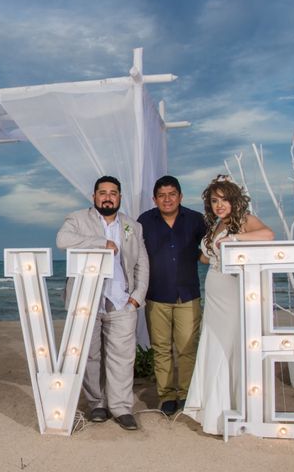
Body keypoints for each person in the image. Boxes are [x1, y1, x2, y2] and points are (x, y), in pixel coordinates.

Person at [183, 175, 274, 435]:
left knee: (229, 347)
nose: (219, 205)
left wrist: (235, 240)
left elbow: (268, 234)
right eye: (214, 200)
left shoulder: (244, 220)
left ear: (234, 200)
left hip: (233, 293)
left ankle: (232, 409)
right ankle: (212, 410)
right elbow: (205, 256)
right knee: (212, 344)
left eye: (224, 199)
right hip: (214, 291)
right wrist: (207, 252)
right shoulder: (215, 226)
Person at [57, 176, 149, 430]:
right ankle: (97, 403)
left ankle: (121, 407)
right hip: (87, 300)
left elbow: (142, 263)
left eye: (113, 193)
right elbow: (62, 241)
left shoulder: (133, 226)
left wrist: (137, 297)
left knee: (123, 356)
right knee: (89, 355)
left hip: (121, 301)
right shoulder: (77, 219)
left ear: (120, 197)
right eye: (103, 193)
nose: (108, 197)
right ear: (94, 196)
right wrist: (102, 243)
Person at [137, 176, 206, 416]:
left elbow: (210, 246)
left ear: (180, 196)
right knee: (161, 349)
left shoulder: (196, 220)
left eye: (172, 194)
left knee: (187, 348)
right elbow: (134, 255)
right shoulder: (145, 221)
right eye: (162, 195)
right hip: (156, 296)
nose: (167, 199)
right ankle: (167, 396)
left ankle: (186, 394)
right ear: (154, 199)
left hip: (188, 295)